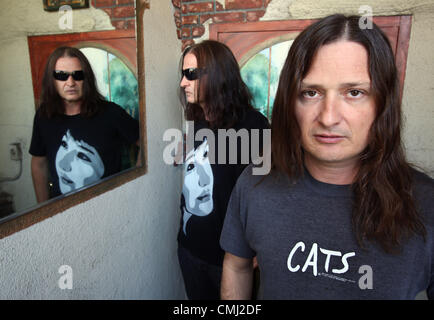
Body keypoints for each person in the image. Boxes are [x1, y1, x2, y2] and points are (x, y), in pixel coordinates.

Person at [220, 14, 434, 299]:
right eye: (311, 93)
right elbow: (237, 266)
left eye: (354, 92)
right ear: (289, 103)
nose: (329, 117)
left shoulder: (426, 206)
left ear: (383, 104)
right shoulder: (255, 182)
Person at [177, 40, 270, 300]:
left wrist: (256, 246)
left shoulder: (253, 125)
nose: (183, 83)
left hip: (227, 259)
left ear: (218, 74)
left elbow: (269, 190)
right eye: (183, 74)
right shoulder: (199, 120)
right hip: (189, 247)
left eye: (191, 74)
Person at [30, 46, 139, 202]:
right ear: (51, 79)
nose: (70, 82)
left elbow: (145, 143)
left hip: (109, 207)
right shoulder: (44, 116)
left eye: (77, 75)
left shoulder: (110, 113)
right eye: (62, 75)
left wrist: (134, 187)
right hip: (60, 213)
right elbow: (38, 163)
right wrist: (42, 209)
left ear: (86, 78)